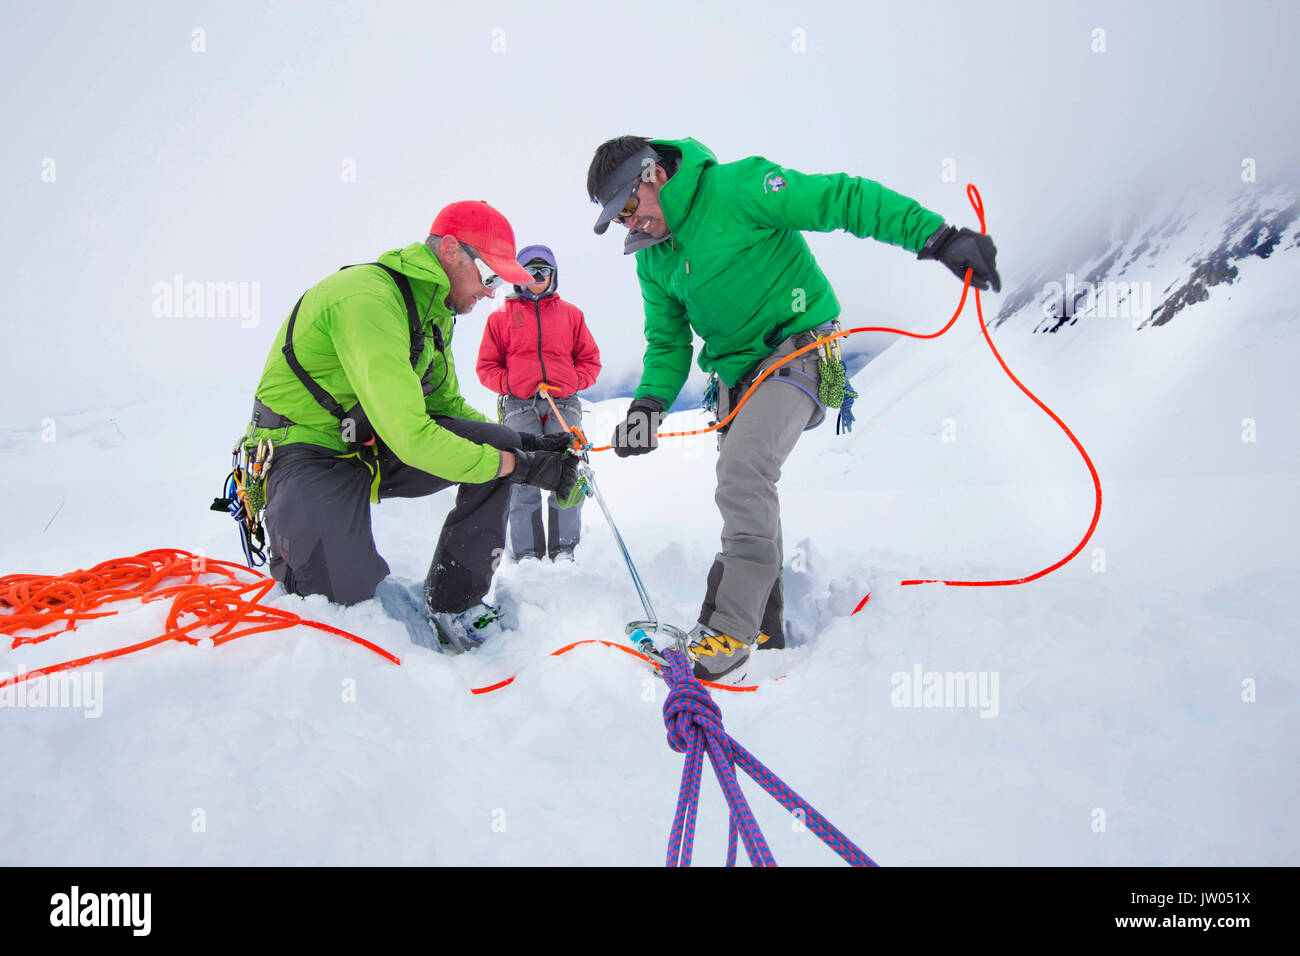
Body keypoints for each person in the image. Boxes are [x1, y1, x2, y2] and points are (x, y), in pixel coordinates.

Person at [587, 136, 1000, 683]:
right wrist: (648, 407)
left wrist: (938, 236)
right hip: (735, 378)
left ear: (652, 176)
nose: (629, 225)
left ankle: (731, 632)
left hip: (800, 349)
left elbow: (841, 199)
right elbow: (667, 344)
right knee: (746, 492)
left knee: (743, 475)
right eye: (616, 220)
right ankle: (764, 629)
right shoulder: (653, 261)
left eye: (628, 209)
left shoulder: (739, 188)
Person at [245, 200, 579, 650]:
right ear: (450, 251)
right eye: (489, 277)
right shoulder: (369, 300)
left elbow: (449, 407)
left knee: (497, 443)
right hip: (306, 451)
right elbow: (413, 436)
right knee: (343, 606)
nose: (490, 293)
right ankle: (303, 546)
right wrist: (519, 466)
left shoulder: (435, 314)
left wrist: (529, 444)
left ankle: (453, 600)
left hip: (368, 446)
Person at [476, 244, 602, 562]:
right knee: (521, 473)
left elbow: (590, 362)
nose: (537, 278)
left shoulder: (571, 315)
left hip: (563, 403)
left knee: (570, 470)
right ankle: (528, 553)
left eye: (543, 272)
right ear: (517, 275)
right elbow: (486, 368)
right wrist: (512, 384)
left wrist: (572, 382)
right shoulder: (501, 317)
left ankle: (564, 549)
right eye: (529, 272)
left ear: (553, 275)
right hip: (520, 405)